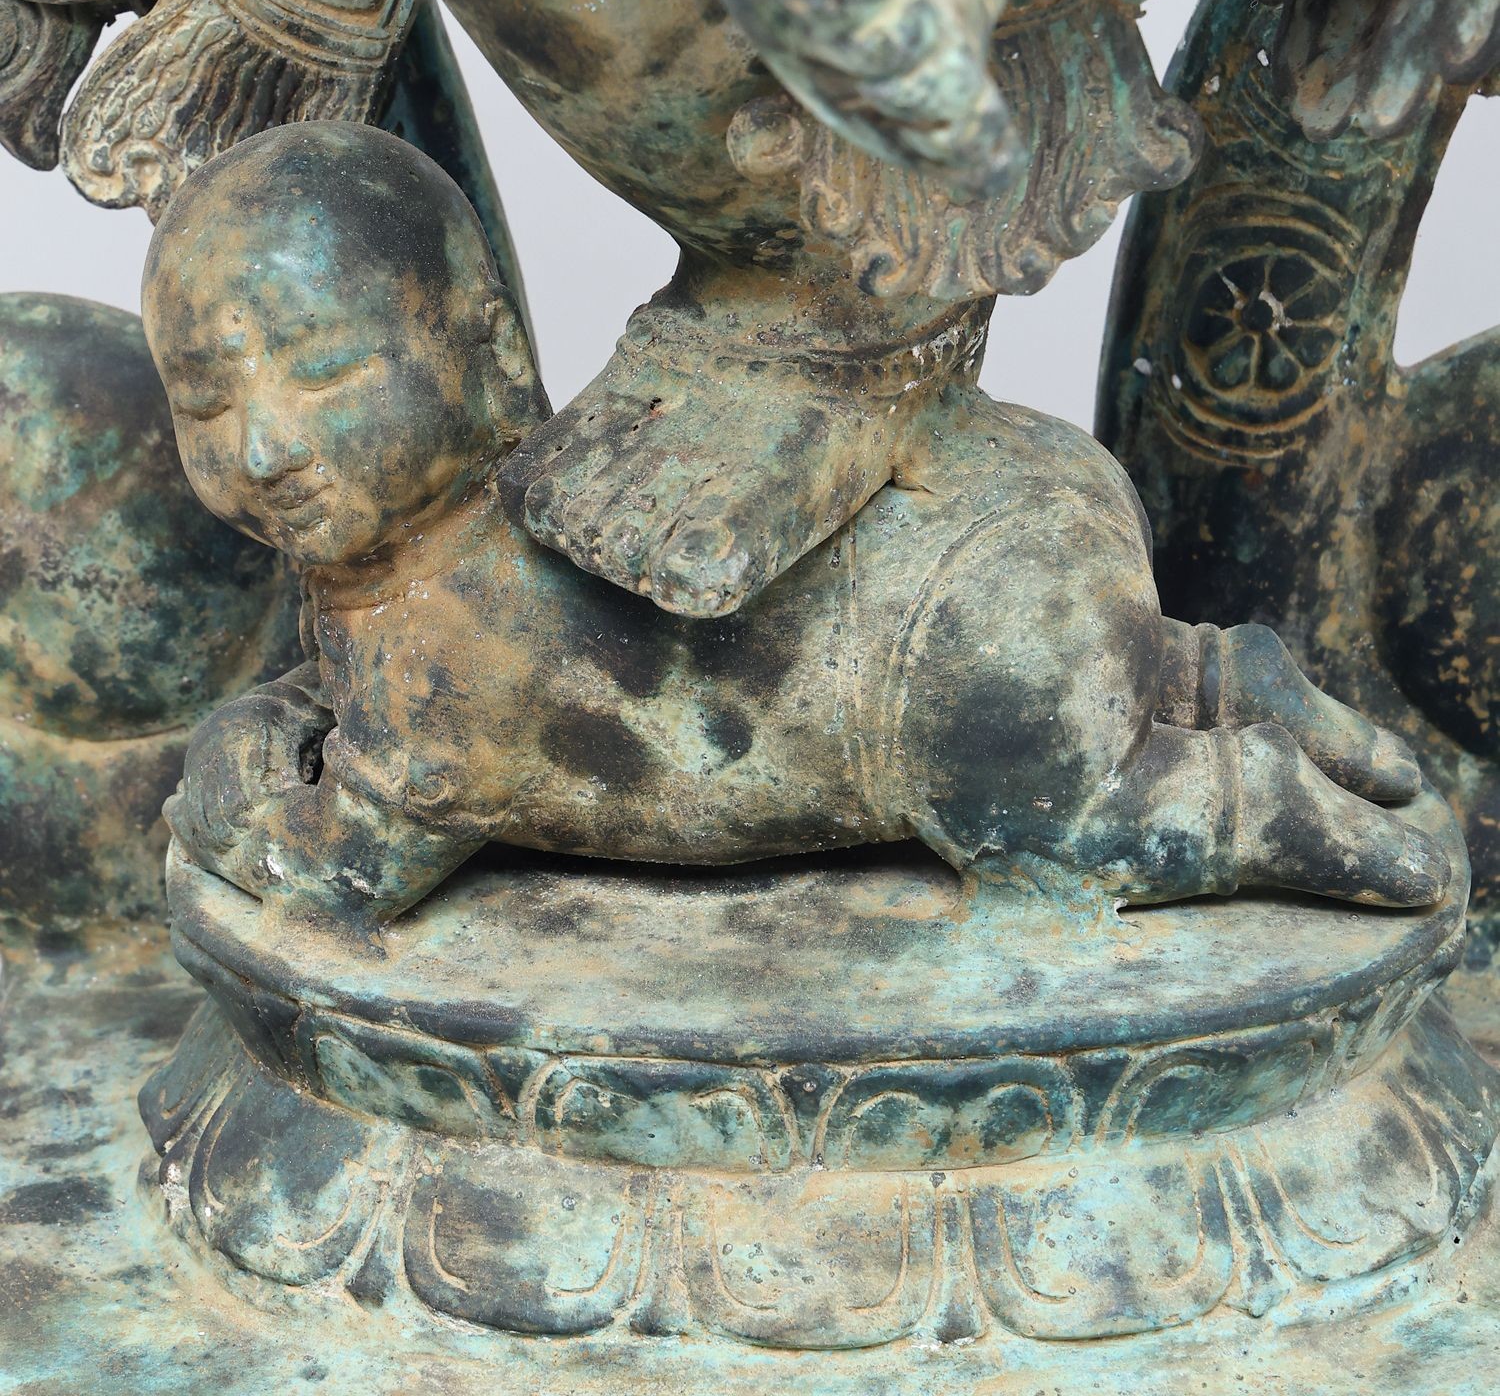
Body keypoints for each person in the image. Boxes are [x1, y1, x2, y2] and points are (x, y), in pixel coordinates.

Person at [142, 123, 1448, 924]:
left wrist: (221, 803)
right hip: (1020, 514)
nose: (264, 447)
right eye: (206, 401)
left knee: (1078, 813)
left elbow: (342, 872)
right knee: (1120, 666)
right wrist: (282, 715)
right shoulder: (438, 576)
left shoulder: (449, 646)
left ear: (489, 353)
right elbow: (348, 703)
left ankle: (1275, 808)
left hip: (960, 644)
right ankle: (1216, 675)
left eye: (326, 374)